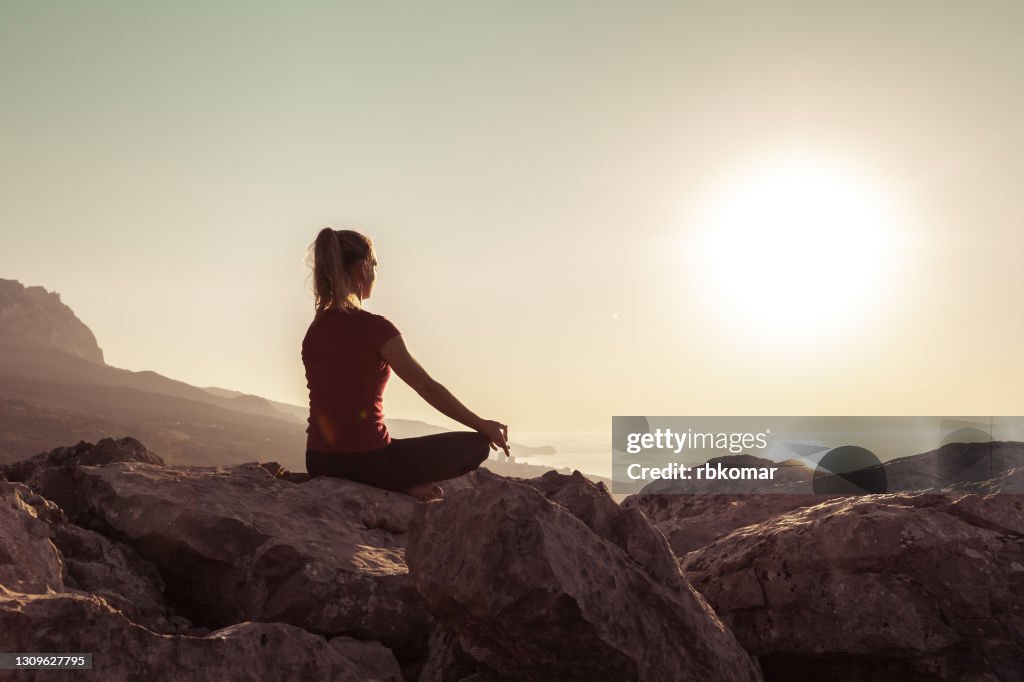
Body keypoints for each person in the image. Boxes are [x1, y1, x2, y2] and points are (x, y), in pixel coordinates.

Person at [302, 227, 510, 501]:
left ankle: (396, 482)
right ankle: (397, 484)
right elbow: (426, 386)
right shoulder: (376, 328)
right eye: (374, 266)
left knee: (391, 451)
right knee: (476, 446)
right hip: (369, 461)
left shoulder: (314, 331)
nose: (376, 275)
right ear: (364, 268)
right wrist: (482, 424)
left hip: (319, 459)